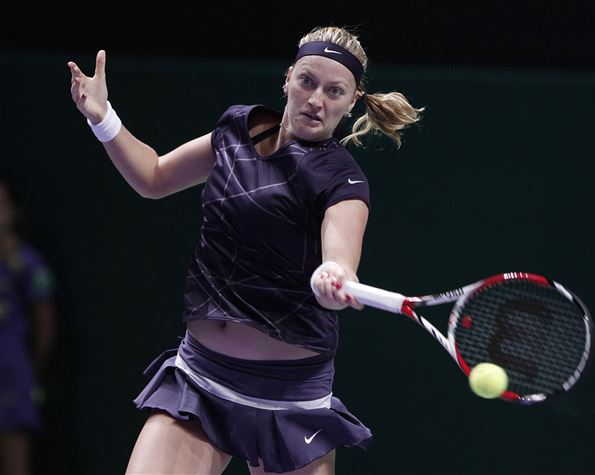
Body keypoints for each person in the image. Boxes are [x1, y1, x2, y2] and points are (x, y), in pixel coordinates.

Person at [67, 25, 423, 475]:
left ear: (351, 102)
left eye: (334, 91)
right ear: (288, 79)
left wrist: (335, 279)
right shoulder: (237, 128)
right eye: (308, 81)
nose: (316, 100)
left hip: (290, 399)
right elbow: (153, 176)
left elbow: (340, 260)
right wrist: (102, 117)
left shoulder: (343, 180)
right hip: (203, 378)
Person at [0, 175, 57, 475]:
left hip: (13, 377)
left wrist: (29, 373)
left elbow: (45, 326)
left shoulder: (29, 264)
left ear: (13, 210)